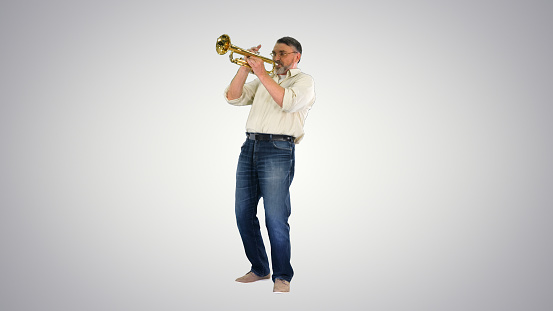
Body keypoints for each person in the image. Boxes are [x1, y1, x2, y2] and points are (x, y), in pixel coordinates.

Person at [224, 36, 315, 293]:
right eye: (274, 52)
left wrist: (262, 74)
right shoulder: (265, 79)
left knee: (275, 218)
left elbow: (287, 102)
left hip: (278, 149)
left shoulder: (304, 81)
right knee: (243, 214)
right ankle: (260, 269)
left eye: (282, 53)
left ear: (296, 56)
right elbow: (233, 97)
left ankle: (282, 276)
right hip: (249, 146)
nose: (276, 57)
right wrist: (244, 68)